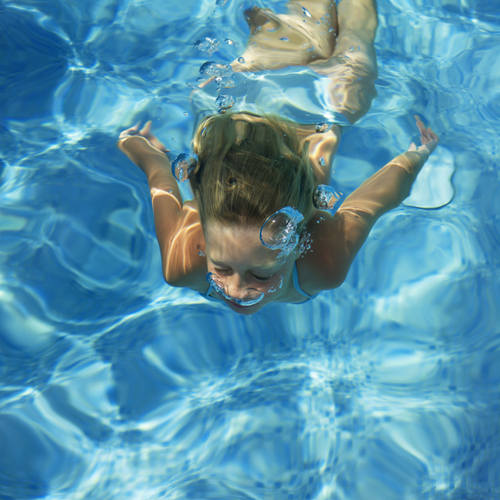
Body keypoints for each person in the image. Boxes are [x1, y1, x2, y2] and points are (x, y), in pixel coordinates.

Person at [117, 0, 438, 314]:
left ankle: (282, 30)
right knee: (350, 66)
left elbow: (159, 175)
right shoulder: (322, 268)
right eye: (221, 267)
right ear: (204, 244)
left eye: (261, 274)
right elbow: (369, 205)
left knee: (327, 32)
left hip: (246, 105)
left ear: (298, 244)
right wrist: (416, 156)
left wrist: (134, 144)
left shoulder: (183, 266)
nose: (236, 290)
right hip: (321, 108)